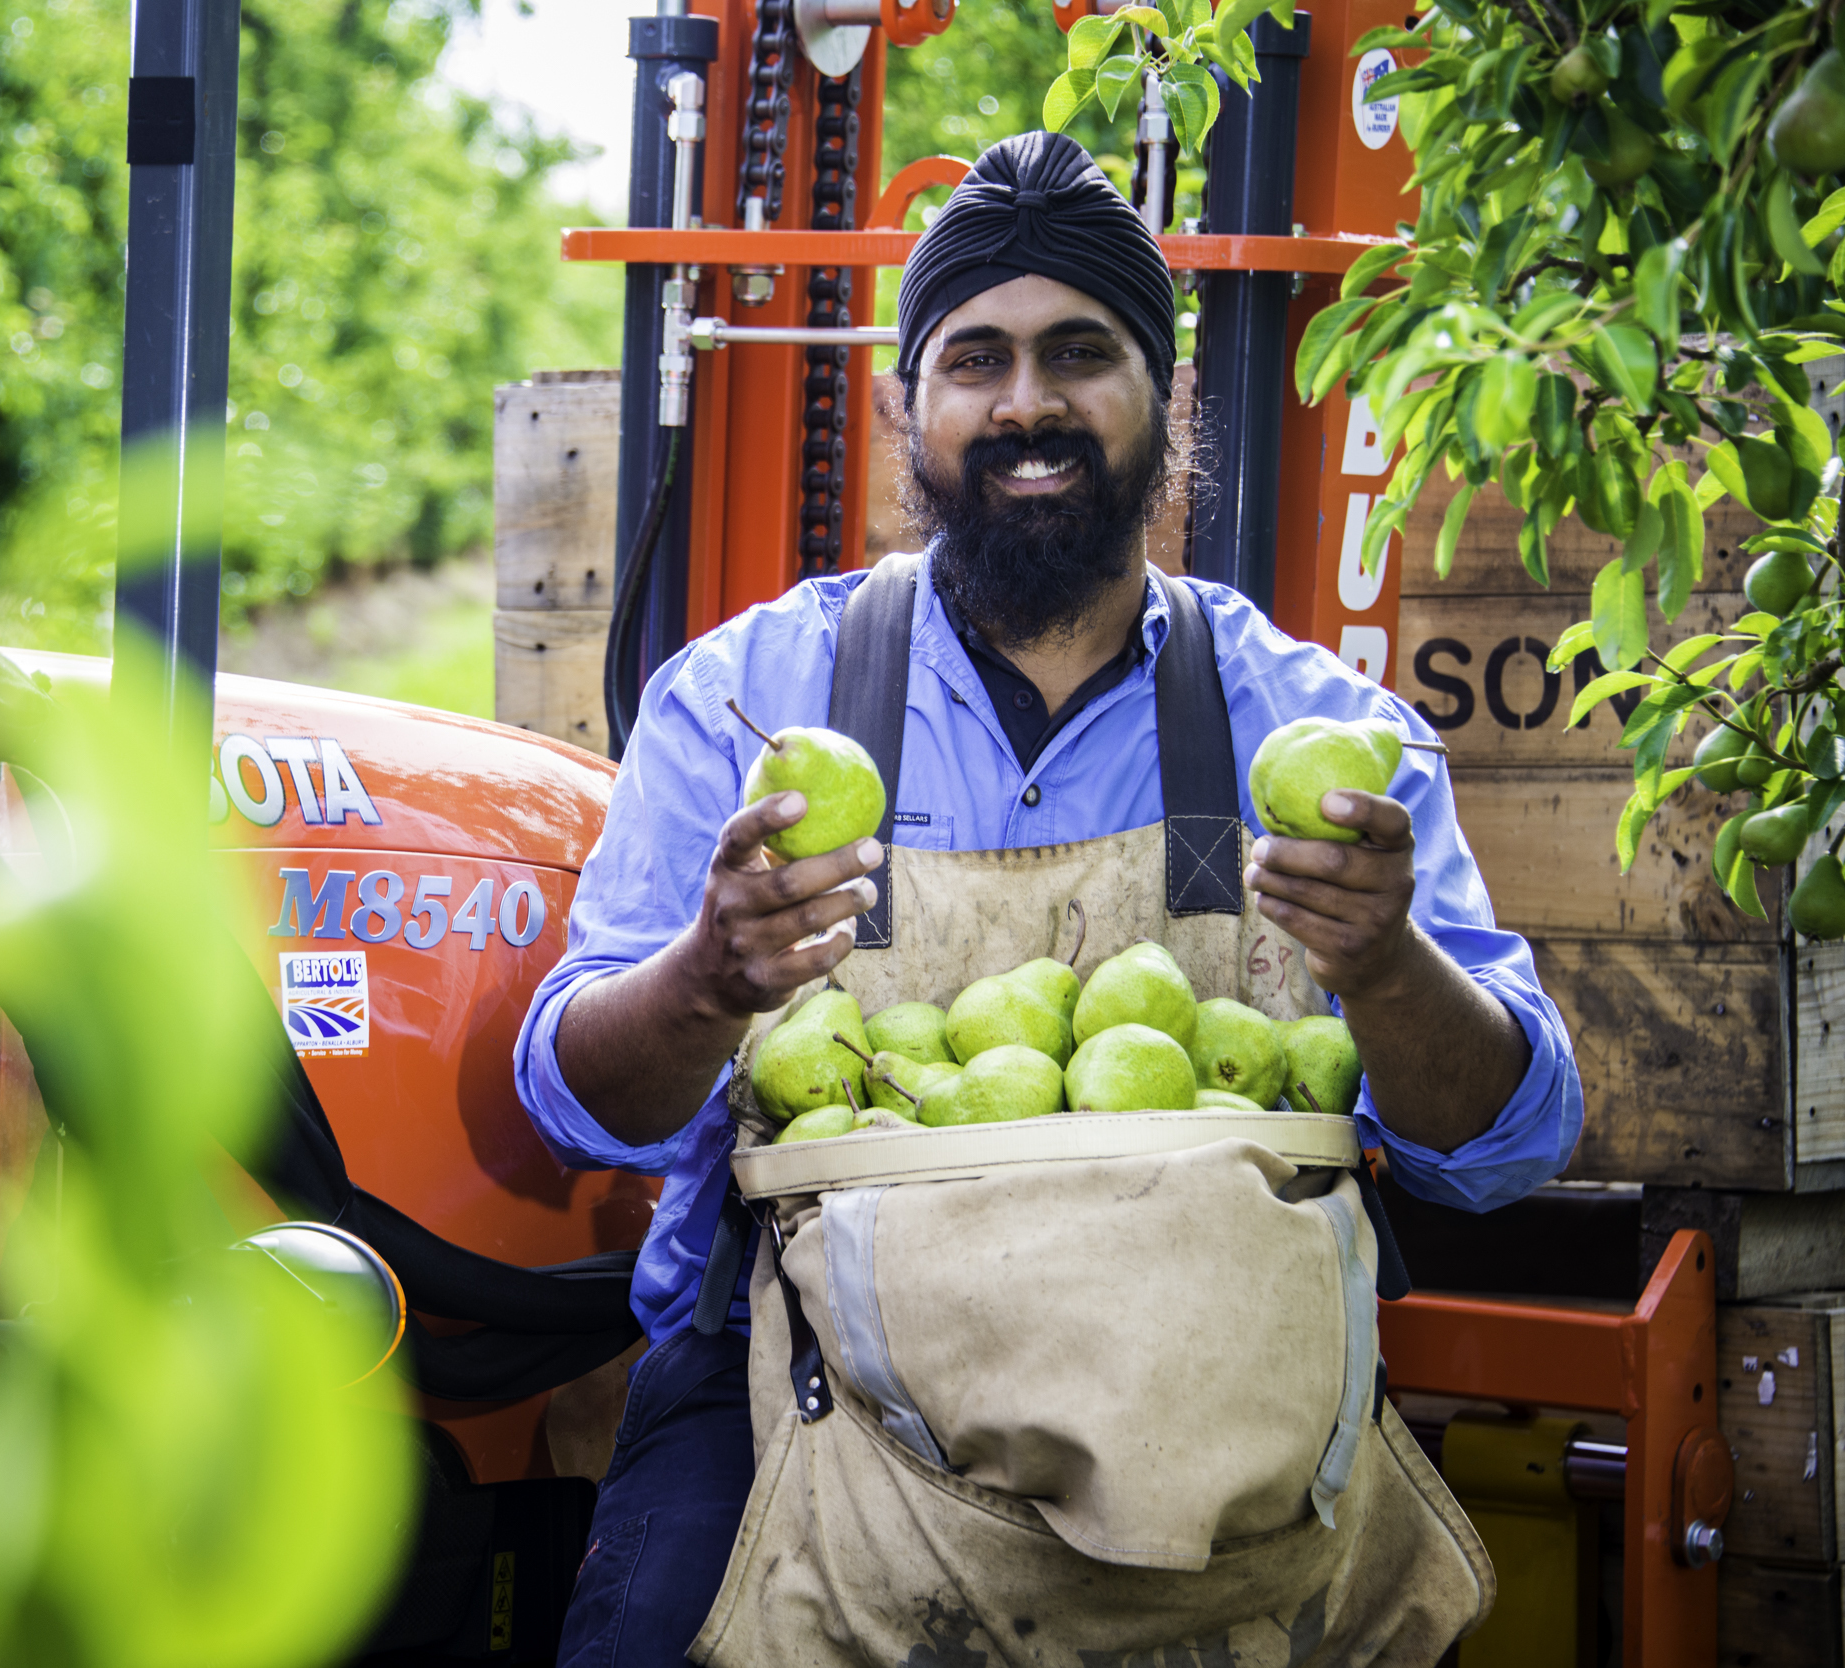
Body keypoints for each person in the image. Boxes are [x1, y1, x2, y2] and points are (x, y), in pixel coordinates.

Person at [512, 130, 1581, 1668]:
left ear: (1169, 401)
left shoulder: (1317, 733)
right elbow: (574, 1102)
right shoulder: (748, 702)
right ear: (909, 406)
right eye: (978, 359)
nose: (1027, 402)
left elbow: (1511, 1146)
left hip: (1210, 1415)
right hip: (792, 1397)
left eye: (1081, 353)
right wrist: (710, 979)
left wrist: (1391, 963)